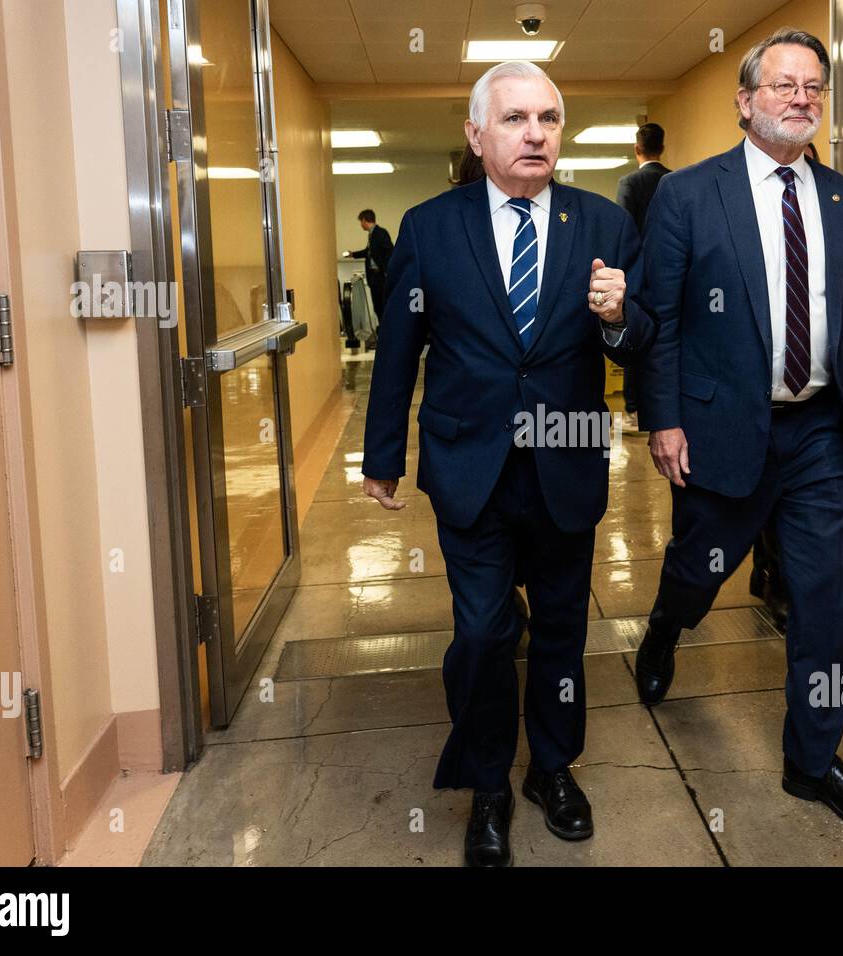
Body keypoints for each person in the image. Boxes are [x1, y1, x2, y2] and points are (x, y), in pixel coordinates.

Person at [361, 60, 655, 866]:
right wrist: (381, 452)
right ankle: (488, 781)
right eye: (516, 118)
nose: (535, 133)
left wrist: (622, 317)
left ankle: (552, 769)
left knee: (561, 628)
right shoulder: (429, 226)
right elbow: (398, 349)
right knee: (486, 633)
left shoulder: (603, 226)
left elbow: (645, 341)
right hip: (470, 462)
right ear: (476, 134)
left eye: (549, 119)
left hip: (566, 464)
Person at [634, 27, 843, 835]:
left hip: (823, 433)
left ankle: (812, 762)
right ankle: (664, 628)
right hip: (724, 429)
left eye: (814, 88)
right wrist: (666, 419)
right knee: (700, 569)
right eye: (784, 85)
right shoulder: (688, 194)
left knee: (824, 602)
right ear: (746, 101)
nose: (800, 99)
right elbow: (661, 320)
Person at [748, 135, 819, 630]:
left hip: (818, 417)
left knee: (817, 552)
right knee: (702, 556)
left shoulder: (842, 205)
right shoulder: (710, 200)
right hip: (741, 410)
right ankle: (668, 625)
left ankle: (787, 588)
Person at [614, 123, 671, 433]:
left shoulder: (630, 182)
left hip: (640, 275)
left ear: (637, 150)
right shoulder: (676, 181)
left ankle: (634, 408)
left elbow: (623, 230)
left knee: (636, 340)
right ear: (662, 148)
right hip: (674, 275)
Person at [350, 209, 394, 345]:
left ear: (364, 220)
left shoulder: (380, 233)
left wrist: (386, 270)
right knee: (377, 306)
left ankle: (387, 334)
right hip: (374, 277)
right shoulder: (372, 235)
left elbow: (389, 250)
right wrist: (353, 254)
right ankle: (384, 333)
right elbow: (369, 253)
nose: (361, 225)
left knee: (382, 305)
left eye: (361, 222)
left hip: (380, 276)